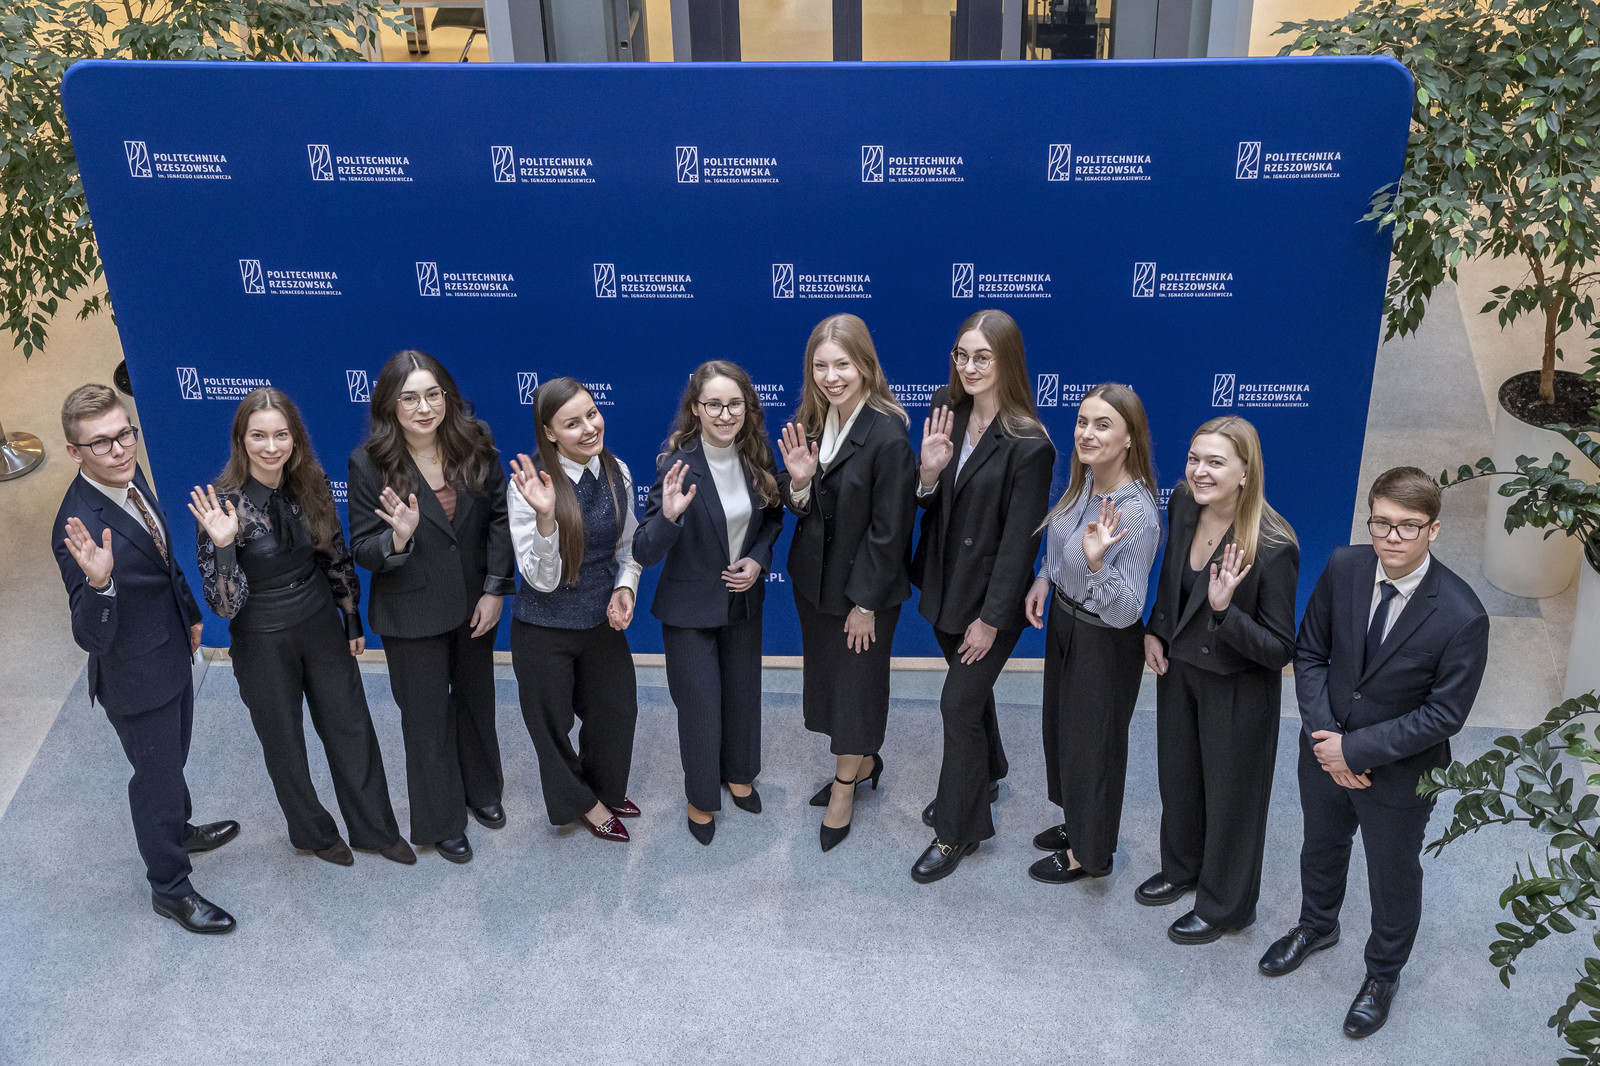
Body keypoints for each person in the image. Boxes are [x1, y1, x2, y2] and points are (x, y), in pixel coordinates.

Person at [1258, 466, 1488, 1038]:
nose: (1392, 537)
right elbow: (1310, 654)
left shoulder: (1463, 614)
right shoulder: (1344, 566)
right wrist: (1327, 742)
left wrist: (1355, 751)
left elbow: (1444, 715)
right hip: (1323, 750)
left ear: (1433, 529)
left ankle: (1383, 975)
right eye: (1381, 523)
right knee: (1321, 846)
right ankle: (1317, 925)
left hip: (1399, 774)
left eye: (1408, 526)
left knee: (1392, 875)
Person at [190, 387, 414, 868]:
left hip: (319, 622)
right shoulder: (220, 506)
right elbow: (224, 606)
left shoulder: (312, 482)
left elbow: (335, 553)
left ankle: (375, 829)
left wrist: (350, 614)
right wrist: (224, 545)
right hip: (262, 638)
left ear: (295, 438)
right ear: (241, 439)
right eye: (259, 436)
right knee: (284, 743)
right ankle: (313, 833)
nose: (271, 447)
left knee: (351, 726)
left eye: (281, 435)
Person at [51, 384, 239, 934]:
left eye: (124, 434)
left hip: (171, 649)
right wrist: (100, 584)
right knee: (155, 782)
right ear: (75, 452)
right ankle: (170, 888)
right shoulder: (76, 528)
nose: (119, 450)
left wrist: (189, 612)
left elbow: (162, 556)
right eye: (101, 443)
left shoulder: (130, 478)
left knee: (173, 760)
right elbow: (90, 637)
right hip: (134, 678)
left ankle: (179, 830)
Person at [347, 350, 515, 864]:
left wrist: (494, 589)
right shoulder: (368, 463)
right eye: (410, 398)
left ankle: (482, 790)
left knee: (476, 700)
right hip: (411, 612)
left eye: (433, 395)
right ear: (390, 406)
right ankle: (441, 819)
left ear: (447, 396)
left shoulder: (475, 439)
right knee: (426, 719)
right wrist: (397, 539)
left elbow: (500, 516)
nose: (424, 408)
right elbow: (363, 548)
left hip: (474, 603)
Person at [1140, 416, 1299, 944]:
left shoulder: (1274, 544)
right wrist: (1156, 629)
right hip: (1179, 672)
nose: (1199, 471)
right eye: (1194, 459)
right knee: (1179, 778)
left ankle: (1226, 906)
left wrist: (1226, 611)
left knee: (1232, 800)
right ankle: (1182, 868)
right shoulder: (1184, 503)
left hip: (1237, 688)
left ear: (1245, 473)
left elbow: (1279, 650)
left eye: (1215, 462)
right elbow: (1171, 581)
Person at [909, 309, 1054, 883]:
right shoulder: (948, 412)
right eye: (962, 355)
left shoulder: (1030, 443)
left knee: (957, 705)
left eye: (982, 357)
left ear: (1006, 361)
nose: (969, 367)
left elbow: (1021, 544)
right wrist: (926, 474)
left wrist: (992, 620)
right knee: (969, 698)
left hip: (990, 602)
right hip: (944, 586)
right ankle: (986, 774)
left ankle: (958, 829)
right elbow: (927, 501)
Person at [776, 314, 917, 852]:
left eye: (842, 365)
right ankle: (864, 763)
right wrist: (799, 484)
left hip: (863, 594)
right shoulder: (813, 423)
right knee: (832, 687)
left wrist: (865, 604)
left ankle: (844, 787)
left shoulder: (888, 433)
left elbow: (890, 531)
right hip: (815, 586)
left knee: (856, 691)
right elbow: (800, 503)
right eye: (821, 366)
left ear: (865, 366)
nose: (831, 377)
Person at [633, 361, 784, 845]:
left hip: (743, 600)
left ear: (747, 407)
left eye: (734, 404)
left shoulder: (756, 455)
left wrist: (758, 560)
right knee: (700, 707)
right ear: (695, 408)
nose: (724, 414)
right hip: (688, 610)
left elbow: (772, 520)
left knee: (742, 694)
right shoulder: (675, 466)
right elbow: (644, 551)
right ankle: (700, 798)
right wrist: (669, 518)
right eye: (713, 404)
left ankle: (739, 773)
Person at [1022, 383, 1161, 886]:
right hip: (1065, 622)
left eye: (1103, 425)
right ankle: (1078, 823)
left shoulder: (1136, 512)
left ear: (1129, 438)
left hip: (1104, 639)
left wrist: (1096, 565)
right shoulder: (1085, 481)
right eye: (1083, 422)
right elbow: (1061, 541)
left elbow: (1127, 611)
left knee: (1094, 749)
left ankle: (1091, 853)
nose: (1087, 433)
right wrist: (1045, 575)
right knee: (1064, 735)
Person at [507, 377, 643, 843]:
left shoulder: (618, 471)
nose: (589, 428)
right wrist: (546, 518)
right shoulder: (529, 486)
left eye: (592, 414)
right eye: (572, 423)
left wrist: (625, 586)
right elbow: (539, 579)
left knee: (617, 711)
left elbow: (628, 546)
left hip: (600, 619)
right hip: (543, 626)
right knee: (551, 726)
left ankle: (604, 789)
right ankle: (585, 803)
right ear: (549, 433)